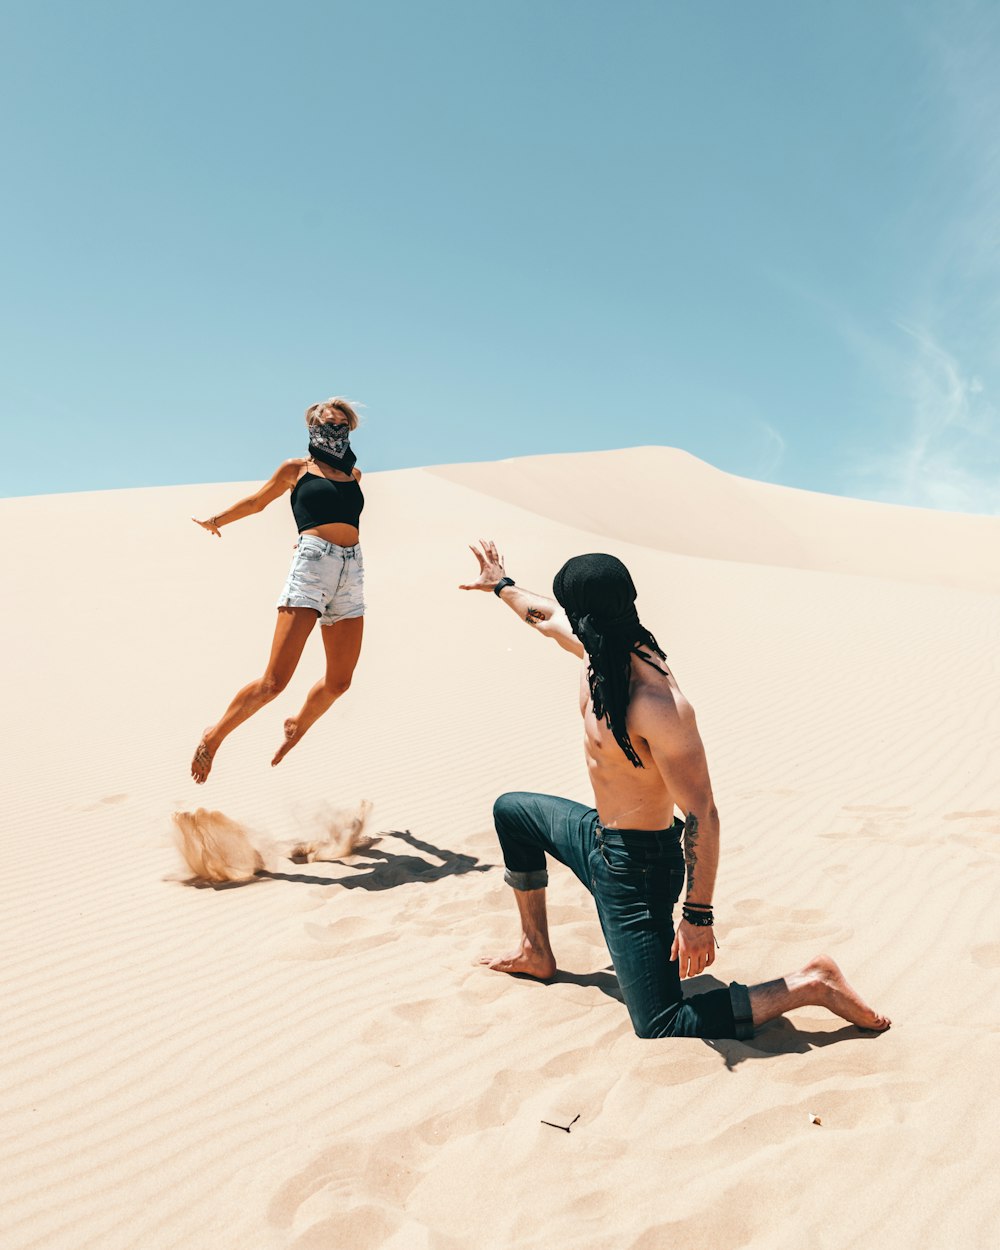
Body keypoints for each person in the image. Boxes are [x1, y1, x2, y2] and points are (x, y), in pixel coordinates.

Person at [460, 541, 890, 1041]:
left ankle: (812, 982)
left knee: (660, 1021)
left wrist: (698, 916)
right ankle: (536, 950)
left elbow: (702, 811)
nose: (568, 621)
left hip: (638, 871)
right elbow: (545, 615)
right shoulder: (597, 648)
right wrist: (502, 586)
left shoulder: (657, 701)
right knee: (512, 812)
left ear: (590, 616)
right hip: (596, 835)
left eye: (574, 612)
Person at [189, 397, 367, 783]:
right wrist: (216, 520)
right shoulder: (296, 469)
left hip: (351, 570)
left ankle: (297, 725)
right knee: (274, 682)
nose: (333, 432)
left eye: (341, 426)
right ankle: (214, 737)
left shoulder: (354, 476)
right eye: (326, 425)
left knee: (340, 681)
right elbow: (257, 502)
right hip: (313, 566)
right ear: (312, 429)